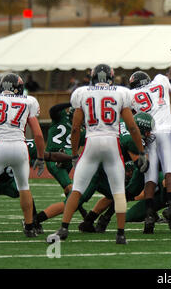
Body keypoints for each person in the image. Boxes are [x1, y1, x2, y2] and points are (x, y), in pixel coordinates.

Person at [47, 64, 148, 245]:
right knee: (118, 192)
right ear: (111, 77)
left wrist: (75, 154)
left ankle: (63, 227)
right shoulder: (121, 92)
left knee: (77, 189)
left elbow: (76, 128)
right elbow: (132, 127)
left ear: (93, 77)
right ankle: (120, 234)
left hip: (92, 142)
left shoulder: (82, 92)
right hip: (111, 142)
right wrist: (141, 151)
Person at [127, 39, 171, 234]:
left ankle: (149, 216)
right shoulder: (160, 82)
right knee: (170, 169)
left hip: (147, 135)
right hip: (165, 131)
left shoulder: (130, 95)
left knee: (150, 176)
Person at [0, 73, 46, 237]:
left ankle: (30, 225)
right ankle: (30, 226)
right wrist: (40, 157)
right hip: (20, 147)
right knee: (24, 187)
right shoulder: (28, 101)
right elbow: (38, 135)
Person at [0, 134, 73, 234]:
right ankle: (32, 224)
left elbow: (50, 155)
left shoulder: (26, 145)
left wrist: (73, 157)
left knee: (25, 191)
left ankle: (33, 222)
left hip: (11, 182)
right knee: (24, 189)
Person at [45, 102, 87, 218]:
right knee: (73, 191)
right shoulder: (61, 117)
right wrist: (70, 102)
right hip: (54, 157)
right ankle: (36, 220)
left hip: (68, 160)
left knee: (69, 190)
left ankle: (84, 213)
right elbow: (53, 109)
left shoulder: (82, 130)